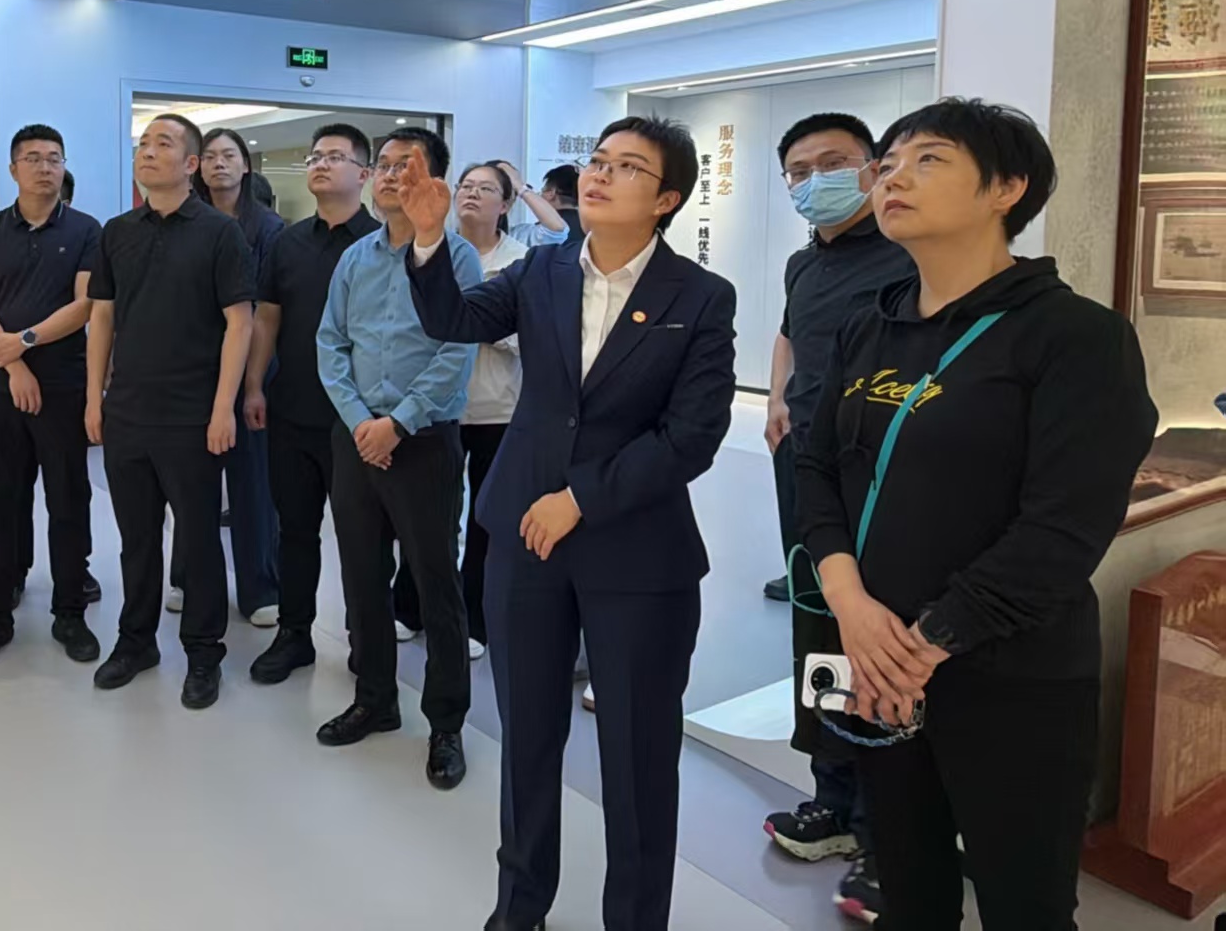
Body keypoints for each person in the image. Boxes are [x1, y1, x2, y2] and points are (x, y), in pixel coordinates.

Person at [794, 99, 1155, 931]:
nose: (893, 177)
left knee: (1023, 905)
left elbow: (1061, 531)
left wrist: (919, 649)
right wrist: (851, 609)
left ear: (1006, 188)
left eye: (928, 159)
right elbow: (815, 469)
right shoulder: (867, 327)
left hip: (1009, 677)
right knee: (906, 891)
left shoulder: (1075, 336)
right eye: (887, 163)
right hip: (874, 660)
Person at [402, 116, 736, 931]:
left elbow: (691, 435)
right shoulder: (541, 271)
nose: (599, 174)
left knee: (637, 752)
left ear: (665, 199)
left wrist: (580, 497)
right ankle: (518, 909)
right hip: (525, 536)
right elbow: (453, 320)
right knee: (527, 736)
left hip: (638, 549)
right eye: (597, 160)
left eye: (626, 167)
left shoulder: (699, 295)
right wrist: (427, 239)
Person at [757, 114, 914, 922]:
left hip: (875, 475)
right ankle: (833, 795)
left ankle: (891, 838)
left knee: (876, 638)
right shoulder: (802, 261)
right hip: (805, 468)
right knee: (817, 631)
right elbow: (789, 333)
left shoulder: (905, 256)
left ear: (872, 167)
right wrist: (777, 397)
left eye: (832, 162)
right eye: (797, 169)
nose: (812, 180)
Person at [315, 126, 480, 791]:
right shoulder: (355, 258)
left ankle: (446, 723)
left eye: (404, 167)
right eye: (382, 165)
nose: (388, 176)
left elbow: (456, 350)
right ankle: (375, 698)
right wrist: (362, 422)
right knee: (361, 576)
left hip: (423, 441)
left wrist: (398, 423)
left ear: (434, 183)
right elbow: (330, 343)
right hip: (356, 440)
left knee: (436, 585)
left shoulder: (458, 259)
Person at [86, 114, 254, 710]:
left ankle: (204, 653)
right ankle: (136, 642)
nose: (148, 152)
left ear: (190, 164)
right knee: (135, 539)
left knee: (199, 539)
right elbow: (102, 316)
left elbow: (240, 323)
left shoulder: (219, 233)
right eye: (143, 144)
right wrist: (94, 398)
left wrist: (223, 407)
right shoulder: (117, 231)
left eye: (163, 143)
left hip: (192, 416)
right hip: (128, 411)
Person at [0, 128, 103, 669]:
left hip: (63, 384)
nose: (45, 168)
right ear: (14, 168)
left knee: (68, 500)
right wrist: (14, 362)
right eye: (33, 159)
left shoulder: (86, 230)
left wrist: (27, 341)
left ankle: (70, 612)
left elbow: (85, 305)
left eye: (54, 159)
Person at [244, 124, 381, 683]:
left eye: (336, 157)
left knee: (363, 539)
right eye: (315, 156)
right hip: (293, 410)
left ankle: (366, 640)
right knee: (295, 531)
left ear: (364, 174)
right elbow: (267, 317)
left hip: (361, 420)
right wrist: (255, 384)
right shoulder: (287, 242)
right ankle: (294, 634)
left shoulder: (382, 242)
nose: (321, 164)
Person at [185, 127, 282, 625]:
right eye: (210, 156)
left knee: (253, 483)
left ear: (246, 165)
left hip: (251, 370)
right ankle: (187, 576)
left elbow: (265, 313)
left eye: (229, 155)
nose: (219, 163)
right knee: (189, 483)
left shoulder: (270, 229)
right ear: (196, 166)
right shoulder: (184, 221)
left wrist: (253, 383)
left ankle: (260, 586)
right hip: (193, 371)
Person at [452, 164, 529, 661]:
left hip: (498, 409)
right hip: (436, 408)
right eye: (466, 187)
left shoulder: (522, 262)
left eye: (485, 189)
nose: (472, 195)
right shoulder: (432, 252)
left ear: (504, 205)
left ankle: (474, 617)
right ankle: (412, 607)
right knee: (430, 517)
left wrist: (479, 322)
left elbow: (531, 336)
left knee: (486, 519)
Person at [492, 160, 570, 249]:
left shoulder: (518, 236)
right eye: (486, 188)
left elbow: (557, 229)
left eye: (513, 192)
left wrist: (521, 187)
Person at [539, 163, 582, 232]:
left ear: (551, 193)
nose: (540, 196)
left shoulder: (543, 229)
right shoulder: (590, 226)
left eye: (543, 190)